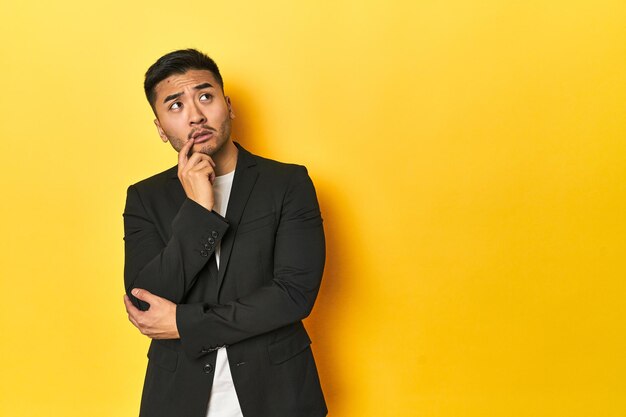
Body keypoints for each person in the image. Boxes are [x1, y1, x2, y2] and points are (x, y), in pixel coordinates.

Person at [122, 49, 327, 417]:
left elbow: (293, 295)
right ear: (159, 127)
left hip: (279, 394)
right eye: (175, 106)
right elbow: (145, 302)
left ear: (228, 105)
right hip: (178, 397)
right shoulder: (144, 198)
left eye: (205, 96)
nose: (196, 115)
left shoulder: (288, 183)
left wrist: (185, 322)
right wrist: (198, 209)